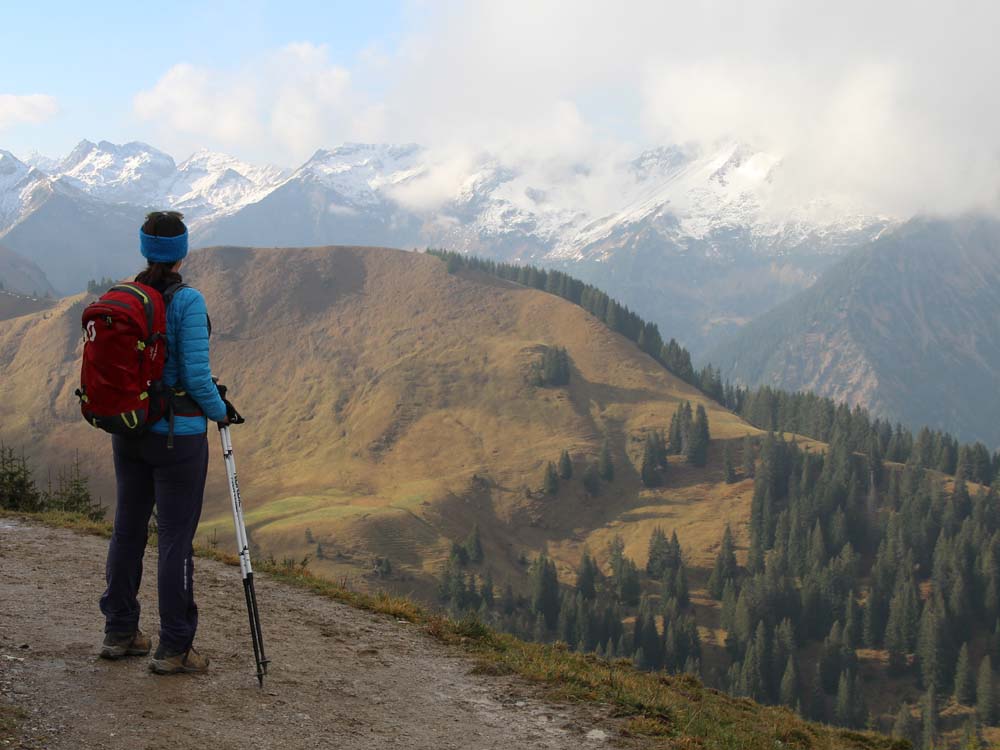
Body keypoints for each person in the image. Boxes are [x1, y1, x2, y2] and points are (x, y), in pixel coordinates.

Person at [98, 211, 233, 675]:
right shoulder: (188, 301)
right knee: (175, 539)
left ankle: (120, 631)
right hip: (178, 437)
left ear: (144, 249)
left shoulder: (129, 297)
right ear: (182, 251)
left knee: (127, 530)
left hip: (129, 428)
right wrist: (221, 411)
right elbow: (195, 376)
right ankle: (175, 646)